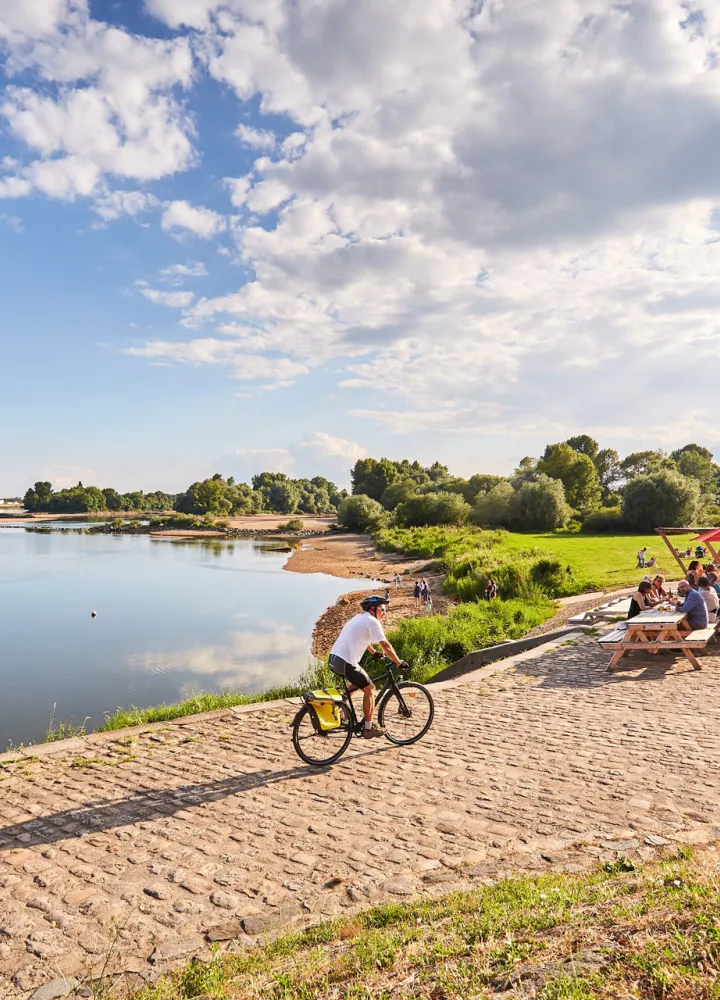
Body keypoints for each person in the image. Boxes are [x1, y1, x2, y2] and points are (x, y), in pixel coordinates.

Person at [328, 595, 407, 738]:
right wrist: (398, 662)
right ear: (373, 609)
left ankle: (337, 706)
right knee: (370, 689)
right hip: (346, 662)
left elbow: (365, 638)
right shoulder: (372, 622)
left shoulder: (359, 618)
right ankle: (369, 728)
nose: (384, 613)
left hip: (334, 659)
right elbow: (386, 645)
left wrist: (373, 652)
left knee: (358, 683)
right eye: (382, 609)